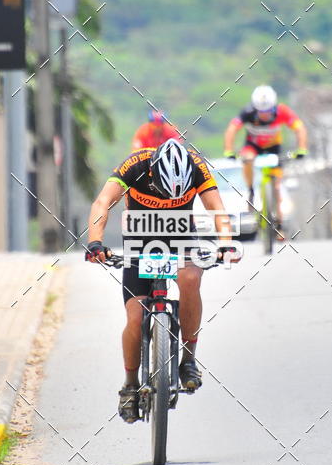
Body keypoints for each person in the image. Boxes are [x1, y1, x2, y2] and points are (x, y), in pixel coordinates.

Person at [86, 139, 239, 423]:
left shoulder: (197, 167)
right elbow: (102, 202)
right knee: (135, 317)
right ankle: (130, 384)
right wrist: (95, 242)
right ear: (153, 173)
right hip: (139, 242)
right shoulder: (135, 165)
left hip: (181, 239)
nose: (170, 198)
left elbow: (217, 209)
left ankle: (189, 359)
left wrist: (226, 244)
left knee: (191, 277)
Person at [223, 85, 308, 225]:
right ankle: (251, 190)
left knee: (276, 187)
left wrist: (302, 148)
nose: (264, 114)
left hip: (274, 148)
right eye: (260, 111)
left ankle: (279, 225)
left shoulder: (282, 111)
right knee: (247, 159)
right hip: (253, 146)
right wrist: (228, 150)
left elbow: (300, 128)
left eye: (268, 111)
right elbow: (232, 129)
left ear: (273, 107)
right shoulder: (248, 112)